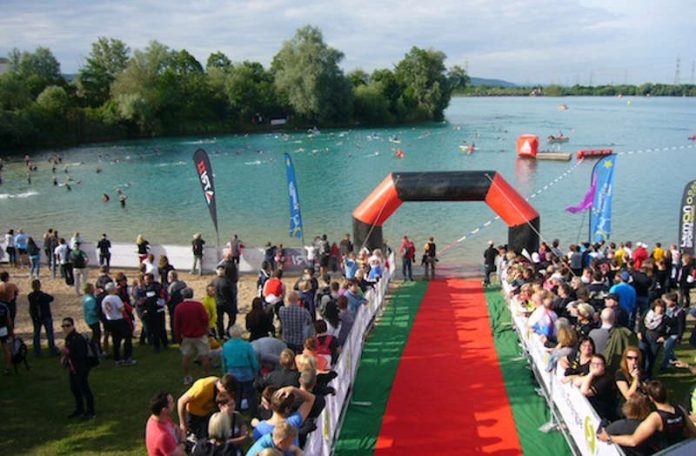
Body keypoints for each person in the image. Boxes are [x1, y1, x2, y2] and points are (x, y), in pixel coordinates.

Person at [598, 380, 696, 450]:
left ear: (651, 398)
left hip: (666, 451)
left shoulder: (656, 417)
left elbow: (633, 441)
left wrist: (609, 438)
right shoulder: (680, 410)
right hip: (681, 449)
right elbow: (693, 433)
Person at [177, 374, 239, 440]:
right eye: (228, 392)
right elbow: (181, 401)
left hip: (207, 413)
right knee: (196, 439)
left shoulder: (220, 390)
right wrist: (183, 424)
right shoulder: (203, 387)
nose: (228, 395)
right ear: (222, 386)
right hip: (193, 415)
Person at [174, 287, 211, 385]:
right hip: (200, 334)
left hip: (186, 336)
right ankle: (207, 376)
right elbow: (205, 319)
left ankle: (186, 377)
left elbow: (177, 325)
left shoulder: (179, 307)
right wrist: (206, 329)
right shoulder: (198, 306)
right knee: (205, 356)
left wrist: (178, 338)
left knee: (186, 357)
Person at [222, 325, 260, 418]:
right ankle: (254, 415)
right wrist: (256, 370)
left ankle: (235, 413)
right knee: (251, 394)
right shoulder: (247, 345)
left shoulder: (226, 346)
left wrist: (225, 373)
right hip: (246, 374)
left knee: (235, 396)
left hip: (232, 374)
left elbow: (223, 361)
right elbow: (253, 360)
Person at [61, 317, 95, 419]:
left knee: (84, 389)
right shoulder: (69, 338)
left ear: (72, 326)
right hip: (73, 368)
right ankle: (79, 409)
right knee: (75, 389)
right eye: (63, 326)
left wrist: (68, 353)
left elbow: (81, 355)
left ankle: (90, 411)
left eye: (68, 325)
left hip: (81, 368)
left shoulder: (78, 339)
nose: (65, 328)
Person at [572, 353, 616, 421]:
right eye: (593, 363)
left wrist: (591, 374)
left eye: (598, 364)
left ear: (604, 366)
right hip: (587, 410)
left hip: (600, 415)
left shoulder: (606, 380)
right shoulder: (590, 374)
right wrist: (590, 375)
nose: (595, 366)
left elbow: (584, 392)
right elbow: (576, 382)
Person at [101, 283, 135, 366]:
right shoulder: (116, 298)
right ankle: (127, 358)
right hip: (118, 320)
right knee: (127, 337)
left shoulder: (104, 299)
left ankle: (117, 359)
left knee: (116, 340)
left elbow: (103, 311)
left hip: (110, 320)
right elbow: (121, 309)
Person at [146, 392, 186, 456]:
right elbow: (181, 454)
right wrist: (183, 443)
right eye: (171, 402)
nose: (174, 404)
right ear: (164, 410)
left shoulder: (158, 418)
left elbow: (177, 429)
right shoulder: (162, 436)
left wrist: (182, 432)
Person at [28, 279, 59, 356]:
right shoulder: (43, 295)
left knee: (37, 333)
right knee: (49, 333)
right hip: (45, 316)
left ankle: (37, 351)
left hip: (36, 317)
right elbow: (51, 298)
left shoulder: (30, 296)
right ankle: (52, 350)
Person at [139, 273, 168, 352]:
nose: (146, 281)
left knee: (156, 330)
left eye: (147, 279)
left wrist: (145, 303)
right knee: (162, 329)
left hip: (154, 311)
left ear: (151, 279)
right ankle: (165, 344)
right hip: (160, 310)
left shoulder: (152, 288)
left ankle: (157, 346)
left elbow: (150, 300)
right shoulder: (158, 286)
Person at [659, 292, 686, 371]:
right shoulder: (665, 309)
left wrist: (680, 336)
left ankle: (664, 366)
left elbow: (681, 325)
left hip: (674, 333)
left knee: (667, 349)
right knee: (668, 349)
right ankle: (676, 362)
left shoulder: (680, 312)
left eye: (667, 300)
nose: (666, 302)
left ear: (673, 301)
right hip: (666, 333)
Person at [213, 267, 237, 340]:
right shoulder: (227, 282)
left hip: (217, 303)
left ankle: (221, 333)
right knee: (232, 317)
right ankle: (228, 331)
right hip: (227, 303)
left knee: (219, 319)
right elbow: (232, 293)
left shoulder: (213, 281)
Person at [167, 271, 187, 343]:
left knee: (174, 323)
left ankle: (175, 338)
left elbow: (168, 298)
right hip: (182, 305)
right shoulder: (183, 283)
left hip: (174, 307)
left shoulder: (172, 286)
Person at [82, 283, 101, 356]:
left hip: (90, 319)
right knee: (96, 335)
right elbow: (91, 311)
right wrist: (98, 314)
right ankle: (94, 350)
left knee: (97, 335)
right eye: (92, 288)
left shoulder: (87, 297)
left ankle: (97, 349)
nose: (94, 289)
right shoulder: (90, 299)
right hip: (93, 320)